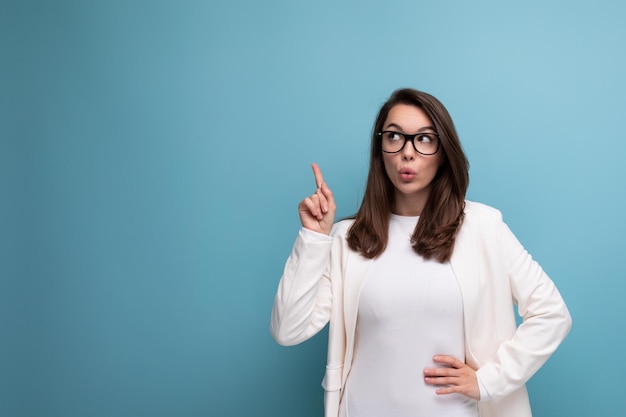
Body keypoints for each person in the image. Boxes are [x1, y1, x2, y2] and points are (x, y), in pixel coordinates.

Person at [270, 88, 571, 417]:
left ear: (444, 152)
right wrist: (314, 239)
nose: (407, 153)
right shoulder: (348, 238)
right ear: (380, 147)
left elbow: (552, 314)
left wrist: (489, 381)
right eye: (395, 137)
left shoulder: (483, 227)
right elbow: (288, 330)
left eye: (424, 139)